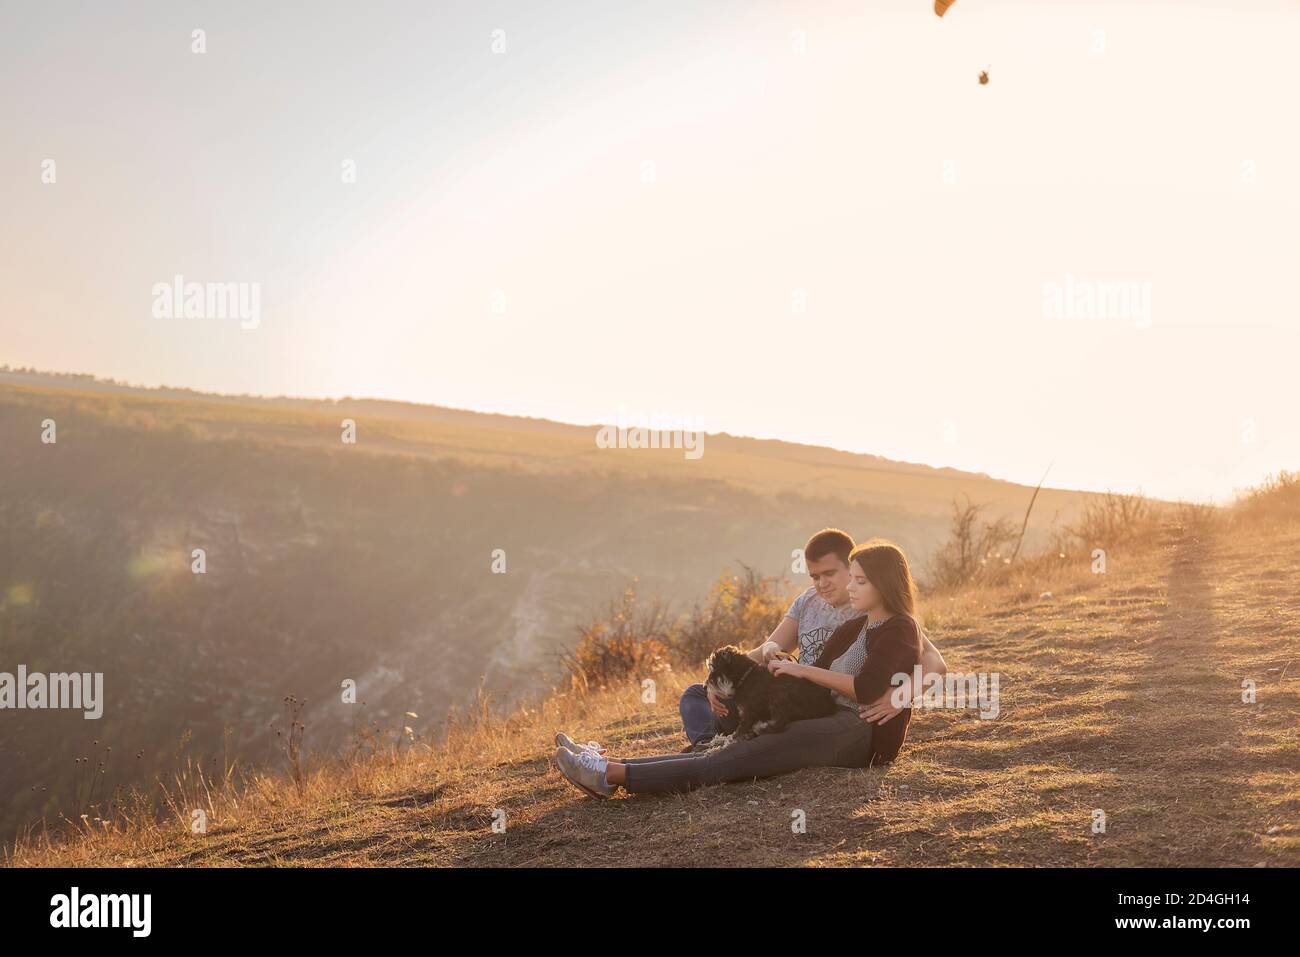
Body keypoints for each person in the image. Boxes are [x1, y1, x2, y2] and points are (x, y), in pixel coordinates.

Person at [554, 540, 930, 798]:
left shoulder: (901, 627)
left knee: (726, 761)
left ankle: (609, 776)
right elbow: (810, 669)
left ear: (884, 583)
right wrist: (774, 671)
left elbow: (865, 688)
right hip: (828, 715)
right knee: (732, 743)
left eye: (860, 581)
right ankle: (606, 763)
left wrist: (805, 673)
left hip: (860, 735)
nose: (851, 587)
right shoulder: (855, 625)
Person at [677, 527, 860, 749]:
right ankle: (707, 745)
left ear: (852, 567)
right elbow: (766, 651)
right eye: (815, 576)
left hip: (806, 705)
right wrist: (714, 682)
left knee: (769, 712)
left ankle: (730, 743)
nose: (822, 584)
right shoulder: (808, 601)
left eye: (829, 574)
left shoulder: (864, 607)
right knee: (695, 694)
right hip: (772, 697)